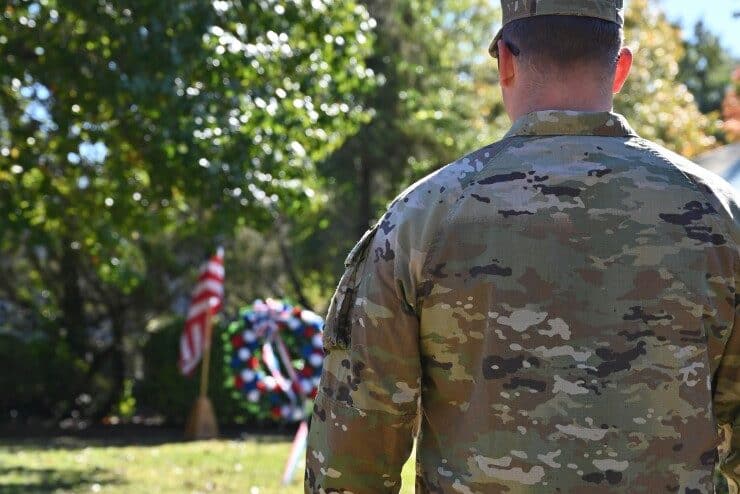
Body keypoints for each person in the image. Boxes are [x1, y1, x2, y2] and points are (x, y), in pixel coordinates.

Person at [305, 0, 740, 492]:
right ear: (621, 69)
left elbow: (352, 460)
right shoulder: (721, 218)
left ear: (506, 62)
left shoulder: (421, 220)